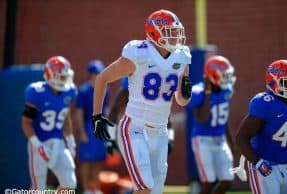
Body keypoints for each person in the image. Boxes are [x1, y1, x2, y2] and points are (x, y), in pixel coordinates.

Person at [92, 9, 192, 194]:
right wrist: (97, 116)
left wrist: (185, 94)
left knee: (155, 191)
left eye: (177, 31)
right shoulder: (139, 53)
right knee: (144, 187)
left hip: (160, 132)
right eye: (171, 31)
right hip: (135, 129)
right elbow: (102, 78)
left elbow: (181, 101)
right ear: (155, 33)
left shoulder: (182, 56)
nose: (176, 36)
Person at [236, 59, 287, 194]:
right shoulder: (264, 103)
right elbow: (241, 138)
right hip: (265, 163)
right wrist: (258, 163)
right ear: (274, 82)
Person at [21, 56, 77, 191]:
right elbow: (26, 123)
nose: (65, 80)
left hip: (58, 142)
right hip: (38, 142)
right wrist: (38, 146)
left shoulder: (69, 91)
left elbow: (65, 115)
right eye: (62, 77)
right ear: (51, 74)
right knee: (38, 188)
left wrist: (70, 139)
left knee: (69, 184)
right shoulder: (37, 92)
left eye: (66, 76)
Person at [188, 56, 236, 194]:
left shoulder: (226, 90)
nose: (228, 78)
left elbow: (223, 119)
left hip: (220, 140)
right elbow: (202, 119)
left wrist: (231, 142)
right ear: (213, 75)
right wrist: (208, 93)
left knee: (227, 180)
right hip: (202, 140)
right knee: (208, 182)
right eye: (224, 75)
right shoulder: (198, 92)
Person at [75, 60, 109, 194]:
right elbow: (78, 112)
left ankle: (95, 188)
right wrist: (82, 132)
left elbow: (105, 109)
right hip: (88, 127)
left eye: (100, 73)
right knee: (86, 160)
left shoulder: (105, 89)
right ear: (91, 74)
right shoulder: (84, 90)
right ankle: (85, 189)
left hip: (100, 126)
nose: (98, 75)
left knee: (98, 159)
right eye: (96, 73)